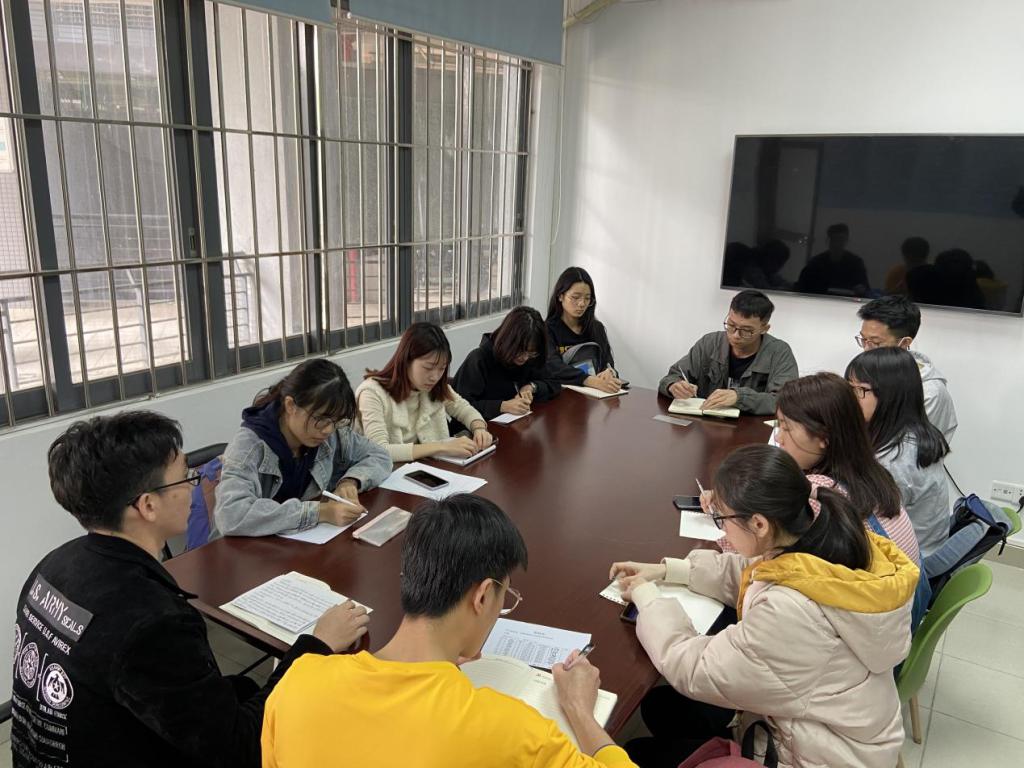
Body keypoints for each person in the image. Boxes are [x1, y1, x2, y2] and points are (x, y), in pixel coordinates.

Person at [10, 411, 368, 768]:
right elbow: (240, 748)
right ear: (148, 505)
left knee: (246, 691)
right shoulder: (151, 623)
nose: (194, 487)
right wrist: (316, 646)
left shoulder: (53, 566)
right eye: (185, 479)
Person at [261, 494, 637, 768]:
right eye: (505, 598)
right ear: (483, 596)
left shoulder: (297, 682)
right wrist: (580, 710)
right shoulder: (510, 731)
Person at [609, 445, 917, 768]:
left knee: (638, 751)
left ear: (759, 524)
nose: (721, 528)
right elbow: (754, 572)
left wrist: (649, 600)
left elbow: (695, 669)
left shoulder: (789, 612)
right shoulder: (822, 542)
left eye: (722, 519)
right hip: (828, 730)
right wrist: (669, 571)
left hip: (814, 757)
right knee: (661, 707)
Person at [214, 358, 391, 537]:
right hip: (247, 549)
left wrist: (351, 481)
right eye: (321, 419)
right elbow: (231, 514)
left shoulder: (330, 433)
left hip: (298, 544)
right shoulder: (249, 447)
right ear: (291, 405)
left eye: (336, 420)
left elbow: (380, 455)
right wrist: (320, 512)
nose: (328, 430)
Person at [775, 372, 920, 564]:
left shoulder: (817, 493)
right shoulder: (869, 470)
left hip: (884, 582)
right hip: (911, 579)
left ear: (824, 436)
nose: (778, 438)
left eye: (786, 428)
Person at [846, 347, 951, 558]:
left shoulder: (893, 460)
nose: (851, 398)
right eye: (849, 388)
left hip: (909, 565)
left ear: (890, 395)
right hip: (920, 550)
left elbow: (865, 528)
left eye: (861, 390)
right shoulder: (910, 433)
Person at [355, 322, 494, 461]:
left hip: (430, 468)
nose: (435, 377)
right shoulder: (372, 393)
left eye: (442, 369)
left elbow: (464, 408)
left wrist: (479, 428)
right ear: (406, 360)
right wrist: (442, 446)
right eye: (428, 368)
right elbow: (380, 450)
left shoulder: (435, 388)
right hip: (389, 471)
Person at [657, 290, 798, 415]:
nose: (736, 335)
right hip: (705, 424)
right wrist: (673, 386)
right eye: (731, 325)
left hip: (750, 428)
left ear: (764, 329)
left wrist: (740, 398)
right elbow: (671, 377)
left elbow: (786, 401)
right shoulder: (710, 343)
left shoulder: (779, 352)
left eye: (746, 330)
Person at [856, 295, 958, 442]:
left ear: (904, 343)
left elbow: (915, 449)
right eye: (863, 340)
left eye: (875, 343)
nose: (866, 349)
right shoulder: (863, 372)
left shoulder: (929, 393)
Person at [452, 306, 561, 421]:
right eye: (520, 351)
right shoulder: (480, 359)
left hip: (520, 425)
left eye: (531, 353)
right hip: (483, 428)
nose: (524, 358)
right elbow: (458, 407)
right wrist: (502, 406)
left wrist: (532, 387)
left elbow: (554, 383)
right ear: (509, 341)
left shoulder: (530, 358)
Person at [545, 266, 624, 393]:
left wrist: (610, 372)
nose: (582, 304)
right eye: (575, 297)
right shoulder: (547, 330)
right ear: (560, 296)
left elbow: (607, 362)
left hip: (595, 397)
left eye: (587, 298)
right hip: (561, 396)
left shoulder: (596, 328)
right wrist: (591, 381)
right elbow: (553, 367)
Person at [796, 223, 870, 296]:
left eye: (841, 239)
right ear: (828, 240)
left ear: (846, 240)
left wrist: (861, 289)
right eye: (834, 239)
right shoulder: (815, 263)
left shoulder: (856, 263)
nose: (837, 243)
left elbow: (864, 288)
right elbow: (802, 287)